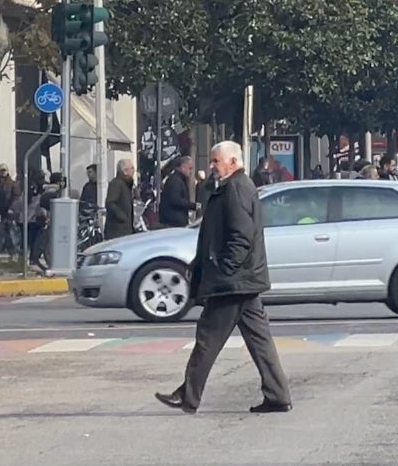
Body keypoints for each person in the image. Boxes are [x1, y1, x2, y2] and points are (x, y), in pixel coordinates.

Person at [157, 141, 292, 415]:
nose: (212, 166)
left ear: (233, 162)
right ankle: (277, 395)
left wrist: (223, 271)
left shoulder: (237, 190)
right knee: (260, 341)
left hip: (233, 282)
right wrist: (201, 264)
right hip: (241, 280)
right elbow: (217, 234)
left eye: (216, 161)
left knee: (207, 338)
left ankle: (188, 396)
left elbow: (241, 238)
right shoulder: (230, 187)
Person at [158, 155, 195, 228]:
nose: (191, 172)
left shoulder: (177, 179)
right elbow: (175, 200)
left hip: (175, 219)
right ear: (182, 166)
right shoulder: (175, 180)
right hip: (174, 221)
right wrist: (192, 205)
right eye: (189, 168)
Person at [105, 158, 137, 239]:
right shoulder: (117, 184)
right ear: (125, 171)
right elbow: (110, 203)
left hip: (125, 229)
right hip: (117, 230)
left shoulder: (126, 184)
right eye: (132, 168)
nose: (134, 170)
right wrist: (122, 217)